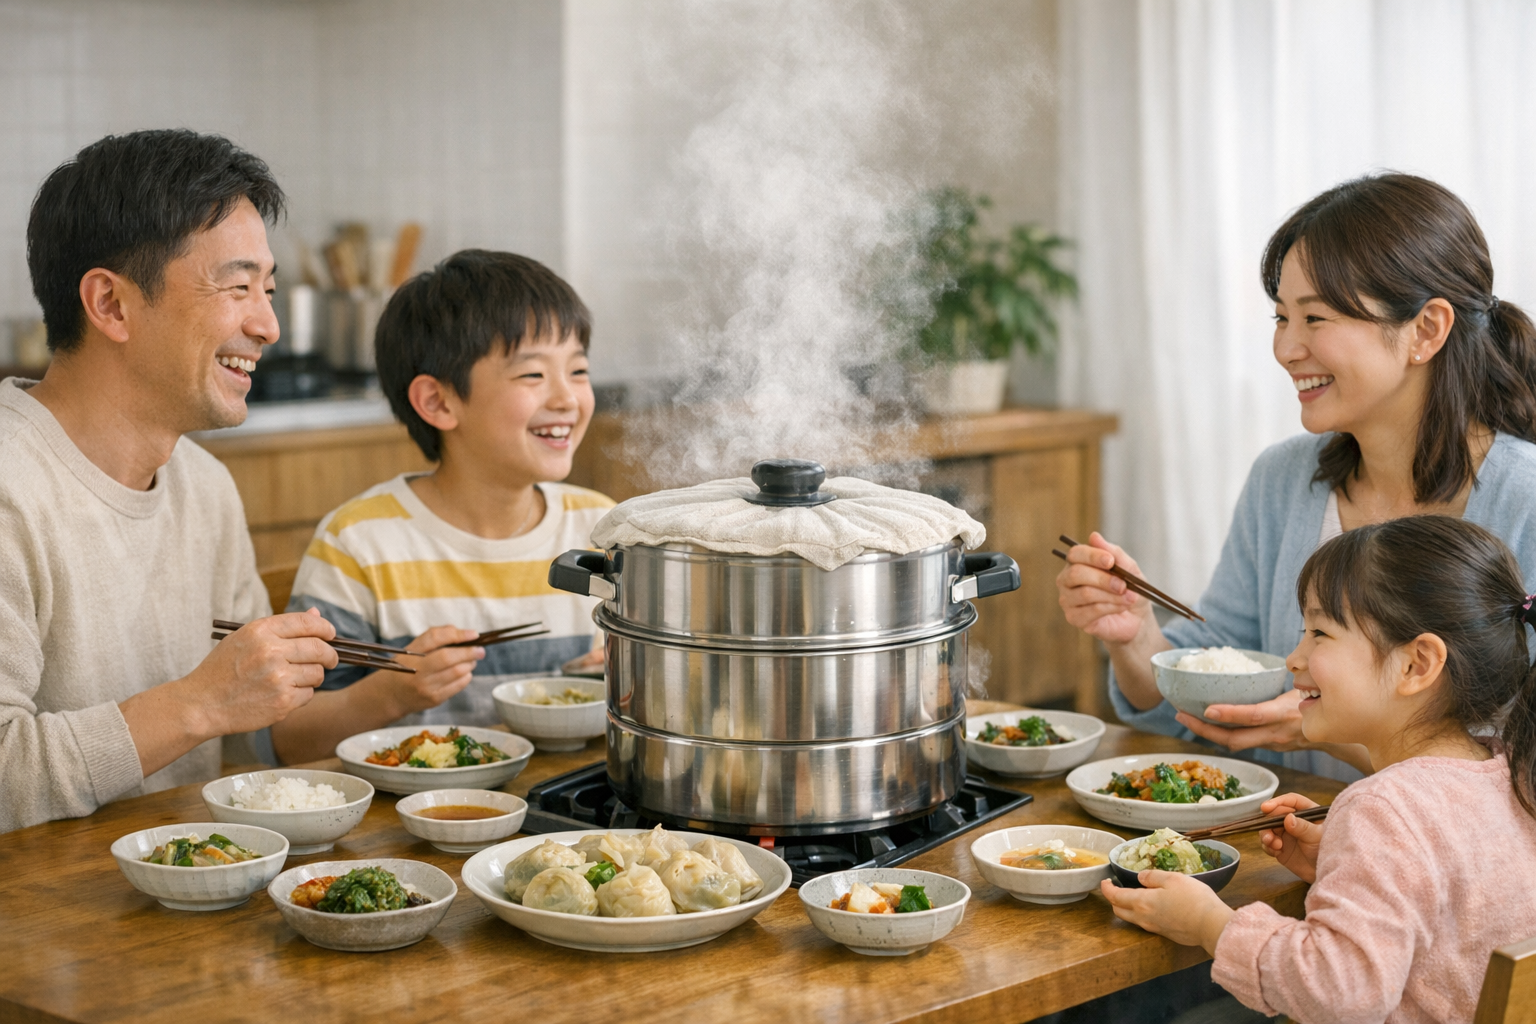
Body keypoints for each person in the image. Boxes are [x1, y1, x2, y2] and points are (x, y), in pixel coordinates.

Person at [1057, 173, 1536, 780]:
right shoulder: (1282, 480)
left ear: (1426, 330)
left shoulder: (1525, 501)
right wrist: (1133, 636)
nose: (1286, 348)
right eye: (1282, 318)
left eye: (1316, 319)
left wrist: (1335, 737)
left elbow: (1523, 774)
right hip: (1278, 846)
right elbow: (1206, 692)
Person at [0, 130, 339, 833]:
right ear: (112, 305)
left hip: (193, 898)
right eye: (238, 287)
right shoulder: (13, 486)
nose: (268, 325)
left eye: (269, 290)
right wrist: (199, 704)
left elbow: (251, 745)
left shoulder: (204, 486)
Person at [1101, 516, 1536, 1023]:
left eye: (1320, 633)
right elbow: (1453, 901)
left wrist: (1211, 924)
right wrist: (1341, 858)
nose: (1294, 657)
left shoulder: (1382, 808)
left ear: (1417, 664)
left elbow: (1339, 993)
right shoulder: (1512, 773)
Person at [261, 250, 613, 765]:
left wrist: (634, 680)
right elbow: (287, 740)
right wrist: (392, 692)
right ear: (438, 402)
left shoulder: (603, 530)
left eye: (578, 369)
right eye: (533, 375)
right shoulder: (361, 541)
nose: (568, 398)